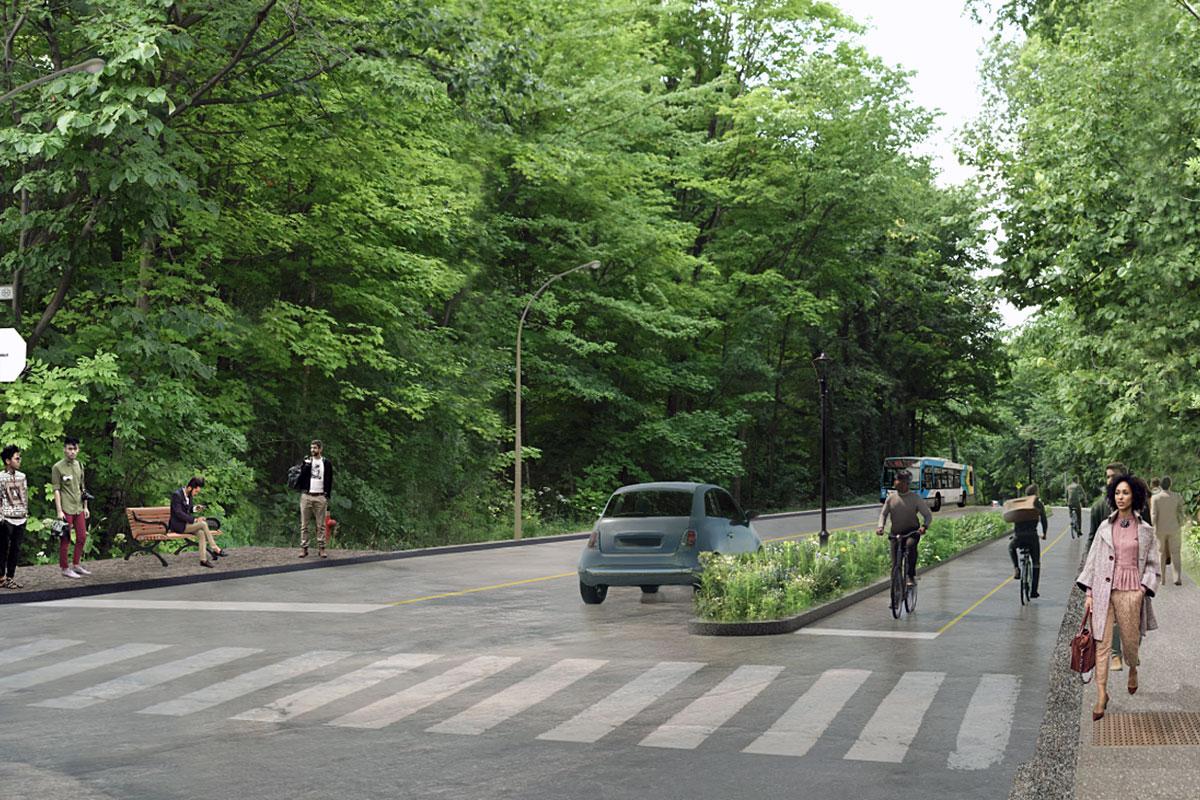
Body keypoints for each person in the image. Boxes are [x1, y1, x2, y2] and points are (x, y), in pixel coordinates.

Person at [1077, 474, 1160, 721]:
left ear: (1134, 495)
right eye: (1117, 493)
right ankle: (1101, 695)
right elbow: (1092, 562)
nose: (1120, 497)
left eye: (1125, 493)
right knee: (1101, 643)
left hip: (1131, 591)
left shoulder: (1145, 531)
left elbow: (1153, 565)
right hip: (1104, 591)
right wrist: (1089, 593)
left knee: (1130, 643)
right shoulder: (1105, 527)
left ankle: (1133, 668)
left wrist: (1142, 589)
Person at [1088, 461, 1127, 670]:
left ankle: (1128, 650)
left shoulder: (1137, 505)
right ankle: (1114, 654)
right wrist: (1088, 568)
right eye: (1108, 477)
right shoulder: (1099, 507)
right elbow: (1091, 538)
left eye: (1114, 476)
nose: (1109, 480)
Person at [876, 471, 932, 588]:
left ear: (906, 484)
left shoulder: (915, 498)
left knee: (910, 546)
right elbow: (883, 514)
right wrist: (880, 527)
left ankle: (910, 575)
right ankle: (896, 589)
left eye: (900, 482)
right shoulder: (890, 498)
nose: (897, 484)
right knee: (895, 562)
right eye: (896, 481)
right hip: (895, 533)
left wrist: (924, 526)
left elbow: (927, 515)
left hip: (912, 532)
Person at [52, 436, 91, 579]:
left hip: (79, 507)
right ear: (64, 449)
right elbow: (56, 489)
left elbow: (83, 488)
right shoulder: (57, 467)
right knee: (65, 539)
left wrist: (86, 507)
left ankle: (76, 564)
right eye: (70, 448)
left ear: (78, 450)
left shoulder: (79, 465)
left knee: (81, 537)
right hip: (66, 507)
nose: (72, 452)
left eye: (75, 449)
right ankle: (64, 568)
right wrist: (59, 511)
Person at [169, 476, 224, 568]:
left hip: (187, 525)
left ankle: (203, 560)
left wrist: (195, 508)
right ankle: (215, 548)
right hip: (178, 526)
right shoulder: (177, 495)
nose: (196, 493)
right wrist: (195, 520)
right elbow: (178, 513)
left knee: (201, 533)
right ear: (190, 488)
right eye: (196, 491)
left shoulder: (189, 495)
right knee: (203, 523)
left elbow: (188, 509)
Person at [1009, 483, 1047, 598]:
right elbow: (1044, 520)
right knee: (1036, 563)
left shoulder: (1019, 503)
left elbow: (1012, 517)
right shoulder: (1038, 503)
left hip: (1019, 536)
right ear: (1036, 493)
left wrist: (1015, 533)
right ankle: (1034, 591)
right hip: (1032, 537)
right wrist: (1044, 533)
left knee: (1011, 547)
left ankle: (1016, 567)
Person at [297, 439, 333, 558]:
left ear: (320, 449)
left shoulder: (326, 463)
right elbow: (301, 478)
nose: (313, 450)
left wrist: (327, 495)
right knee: (304, 524)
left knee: (321, 525)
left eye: (315, 448)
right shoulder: (307, 461)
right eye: (311, 448)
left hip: (320, 496)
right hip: (307, 495)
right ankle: (304, 548)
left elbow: (329, 479)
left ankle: (321, 548)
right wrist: (306, 466)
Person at [0, 445, 28, 589]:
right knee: (3, 548)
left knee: (15, 549)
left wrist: (25, 513)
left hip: (21, 517)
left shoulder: (22, 476)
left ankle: (10, 577)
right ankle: (1, 577)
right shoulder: (1, 477)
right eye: (16, 458)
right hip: (7, 518)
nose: (19, 460)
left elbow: (25, 496)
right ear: (7, 461)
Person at [1150, 475, 1185, 586]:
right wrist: (1181, 523)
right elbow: (1181, 512)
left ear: (1161, 485)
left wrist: (1153, 526)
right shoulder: (1177, 496)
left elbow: (1154, 514)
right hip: (1174, 528)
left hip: (1160, 529)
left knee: (1161, 554)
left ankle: (1162, 579)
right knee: (1176, 553)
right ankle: (1177, 578)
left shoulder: (1155, 498)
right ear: (1170, 484)